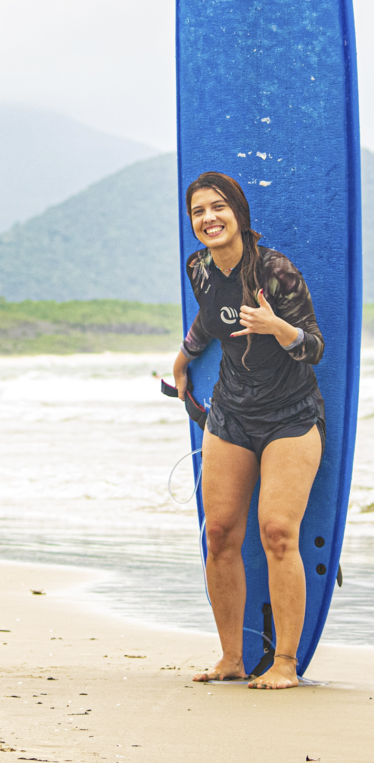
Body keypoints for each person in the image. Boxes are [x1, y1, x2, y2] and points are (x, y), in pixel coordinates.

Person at [172, 172, 324, 690]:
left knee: (278, 531)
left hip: (290, 414)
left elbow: (314, 349)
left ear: (238, 213)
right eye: (198, 212)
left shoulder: (276, 272)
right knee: (219, 533)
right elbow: (208, 317)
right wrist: (186, 354)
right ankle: (230, 658)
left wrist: (276, 326)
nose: (209, 219)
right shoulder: (198, 268)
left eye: (218, 208)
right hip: (231, 413)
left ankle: (284, 663)